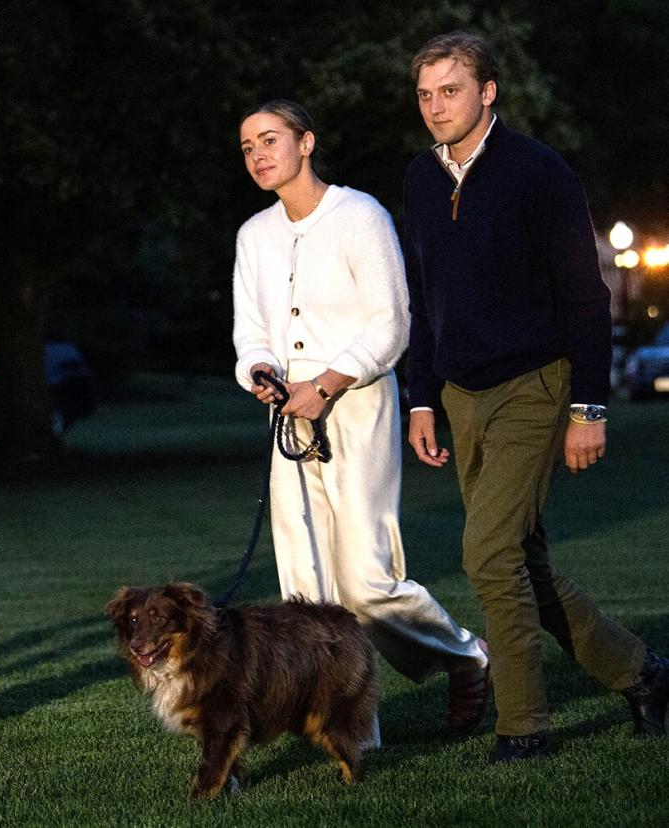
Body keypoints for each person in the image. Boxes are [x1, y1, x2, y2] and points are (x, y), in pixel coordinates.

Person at [402, 31, 669, 761]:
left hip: (535, 384)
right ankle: (642, 673)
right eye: (425, 94)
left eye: (450, 91)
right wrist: (421, 398)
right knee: (524, 563)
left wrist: (589, 405)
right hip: (459, 393)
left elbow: (586, 298)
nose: (435, 107)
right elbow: (422, 302)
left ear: (488, 92)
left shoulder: (539, 173)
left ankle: (525, 728)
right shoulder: (420, 181)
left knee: (488, 554)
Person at [231, 99, 490, 745]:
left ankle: (464, 654)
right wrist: (262, 372)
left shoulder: (359, 216)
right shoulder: (253, 235)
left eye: (270, 139)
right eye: (246, 146)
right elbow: (250, 332)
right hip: (289, 417)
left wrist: (326, 383)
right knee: (305, 585)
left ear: (306, 142)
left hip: (356, 404)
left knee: (367, 583)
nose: (258, 153)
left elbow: (391, 324)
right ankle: (351, 731)